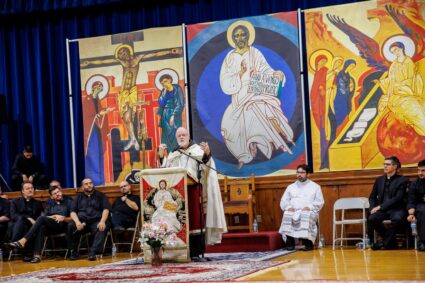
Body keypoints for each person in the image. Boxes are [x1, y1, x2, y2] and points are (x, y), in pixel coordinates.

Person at [220, 22, 294, 169]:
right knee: (228, 126)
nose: (239, 37)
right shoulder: (229, 57)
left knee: (259, 111)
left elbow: (265, 69)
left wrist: (275, 74)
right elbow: (224, 80)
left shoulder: (255, 53)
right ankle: (243, 154)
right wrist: (240, 74)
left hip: (255, 92)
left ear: (248, 36)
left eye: (242, 34)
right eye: (236, 35)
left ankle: (279, 139)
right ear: (233, 38)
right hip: (238, 96)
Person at [81, 45, 182, 151]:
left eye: (123, 53)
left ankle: (134, 139)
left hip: (132, 92)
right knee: (126, 118)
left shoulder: (137, 59)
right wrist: (89, 63)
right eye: (120, 54)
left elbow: (154, 54)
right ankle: (133, 139)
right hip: (123, 93)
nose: (122, 56)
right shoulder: (122, 62)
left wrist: (169, 51)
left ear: (128, 52)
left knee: (130, 117)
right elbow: (104, 61)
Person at [158, 127, 227, 260]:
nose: (181, 137)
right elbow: (166, 171)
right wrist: (162, 157)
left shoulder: (197, 151)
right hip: (177, 195)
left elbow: (206, 169)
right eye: (179, 135)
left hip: (194, 191)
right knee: (179, 220)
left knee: (195, 221)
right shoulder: (174, 154)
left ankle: (196, 252)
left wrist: (206, 155)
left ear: (188, 136)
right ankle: (181, 250)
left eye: (184, 135)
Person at [6, 180, 72, 263]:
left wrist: (63, 218)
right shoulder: (49, 202)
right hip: (40, 224)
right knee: (41, 227)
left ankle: (22, 241)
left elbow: (73, 215)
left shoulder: (69, 201)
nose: (57, 194)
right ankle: (37, 255)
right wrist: (53, 216)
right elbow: (46, 215)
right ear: (51, 197)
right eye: (55, 193)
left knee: (40, 219)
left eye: (58, 192)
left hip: (61, 224)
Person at [376, 41, 425, 136]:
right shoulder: (394, 65)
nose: (395, 52)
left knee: (414, 109)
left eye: (396, 50)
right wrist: (382, 83)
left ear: (402, 48)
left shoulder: (408, 62)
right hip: (396, 94)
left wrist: (400, 86)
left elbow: (411, 80)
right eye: (393, 51)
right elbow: (391, 81)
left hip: (408, 92)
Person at [279, 164, 324, 251]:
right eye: (298, 172)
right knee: (287, 214)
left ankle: (308, 243)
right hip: (294, 210)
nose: (299, 175)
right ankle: (290, 243)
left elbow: (319, 201)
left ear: (308, 174)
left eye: (302, 173)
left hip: (308, 210)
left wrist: (309, 207)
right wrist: (288, 207)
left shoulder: (315, 187)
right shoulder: (291, 187)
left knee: (305, 215)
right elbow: (284, 201)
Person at [368, 156, 409, 250]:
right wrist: (372, 209)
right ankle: (390, 242)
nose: (385, 166)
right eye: (384, 164)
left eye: (388, 164)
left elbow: (398, 198)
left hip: (397, 208)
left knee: (398, 219)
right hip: (383, 210)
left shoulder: (403, 180)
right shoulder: (379, 180)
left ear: (395, 167)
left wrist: (380, 207)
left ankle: (384, 243)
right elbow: (372, 197)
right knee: (372, 218)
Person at [67, 178, 111, 261]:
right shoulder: (78, 197)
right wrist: (77, 222)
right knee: (71, 226)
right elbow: (72, 212)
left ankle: (93, 252)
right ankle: (73, 252)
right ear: (82, 187)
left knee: (101, 228)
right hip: (82, 222)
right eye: (86, 184)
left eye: (90, 183)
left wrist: (102, 221)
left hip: (97, 220)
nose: (89, 185)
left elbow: (106, 209)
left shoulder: (100, 195)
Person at [8, 182, 43, 261]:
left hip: (32, 227)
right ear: (23, 191)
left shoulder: (38, 203)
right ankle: (19, 247)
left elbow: (39, 218)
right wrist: (28, 218)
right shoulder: (15, 202)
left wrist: (31, 221)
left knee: (33, 227)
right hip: (18, 224)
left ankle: (16, 245)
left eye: (32, 188)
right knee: (21, 221)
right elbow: (14, 216)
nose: (30, 190)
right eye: (28, 188)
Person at [157, 73, 184, 151]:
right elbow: (161, 103)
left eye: (165, 81)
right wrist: (164, 93)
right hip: (165, 116)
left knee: (174, 134)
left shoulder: (177, 88)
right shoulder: (163, 91)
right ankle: (169, 154)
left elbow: (180, 103)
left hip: (174, 115)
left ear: (170, 80)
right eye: (162, 83)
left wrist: (173, 115)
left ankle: (176, 152)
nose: (164, 84)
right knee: (167, 136)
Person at [407, 159, 425, 251]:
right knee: (422, 210)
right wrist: (411, 214)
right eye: (418, 170)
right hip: (420, 206)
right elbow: (411, 201)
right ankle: (423, 241)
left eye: (423, 171)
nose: (420, 173)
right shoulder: (414, 184)